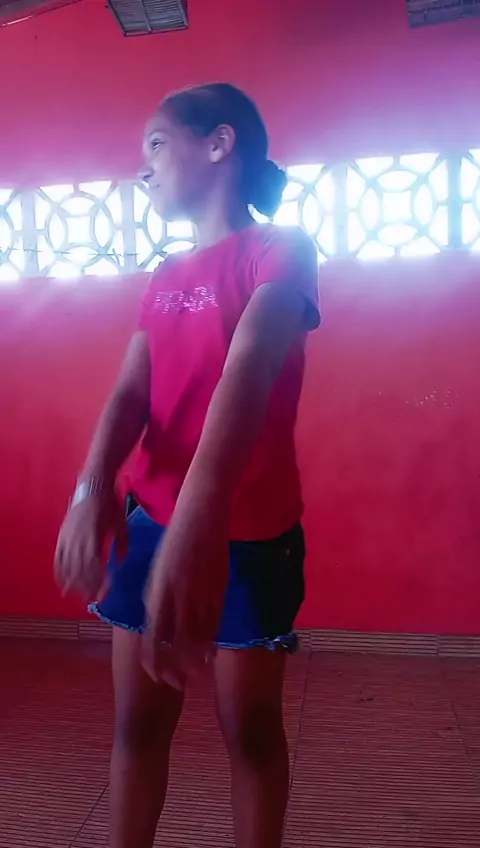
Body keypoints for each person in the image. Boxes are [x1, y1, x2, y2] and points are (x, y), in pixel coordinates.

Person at [55, 82, 320, 848]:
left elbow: (250, 368)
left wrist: (200, 523)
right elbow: (131, 393)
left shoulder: (280, 250)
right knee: (137, 727)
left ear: (219, 144)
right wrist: (91, 490)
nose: (143, 167)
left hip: (250, 536)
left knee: (251, 734)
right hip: (151, 527)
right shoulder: (166, 275)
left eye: (157, 144)